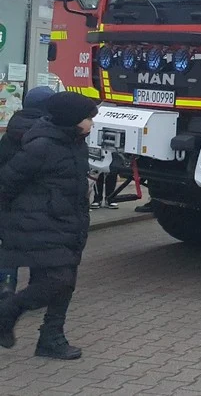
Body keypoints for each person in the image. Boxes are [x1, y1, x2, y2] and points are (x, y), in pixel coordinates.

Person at [0, 91, 99, 360]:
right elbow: (7, 183)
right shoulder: (41, 146)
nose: (92, 123)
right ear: (72, 120)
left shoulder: (76, 143)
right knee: (57, 280)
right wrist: (17, 218)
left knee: (66, 283)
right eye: (88, 118)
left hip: (69, 224)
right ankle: (7, 312)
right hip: (42, 225)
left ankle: (51, 338)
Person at [0, 87, 56, 299]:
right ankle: (35, 289)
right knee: (40, 249)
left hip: (11, 202)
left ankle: (6, 285)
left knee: (10, 246)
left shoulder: (11, 130)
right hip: (40, 203)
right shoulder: (48, 133)